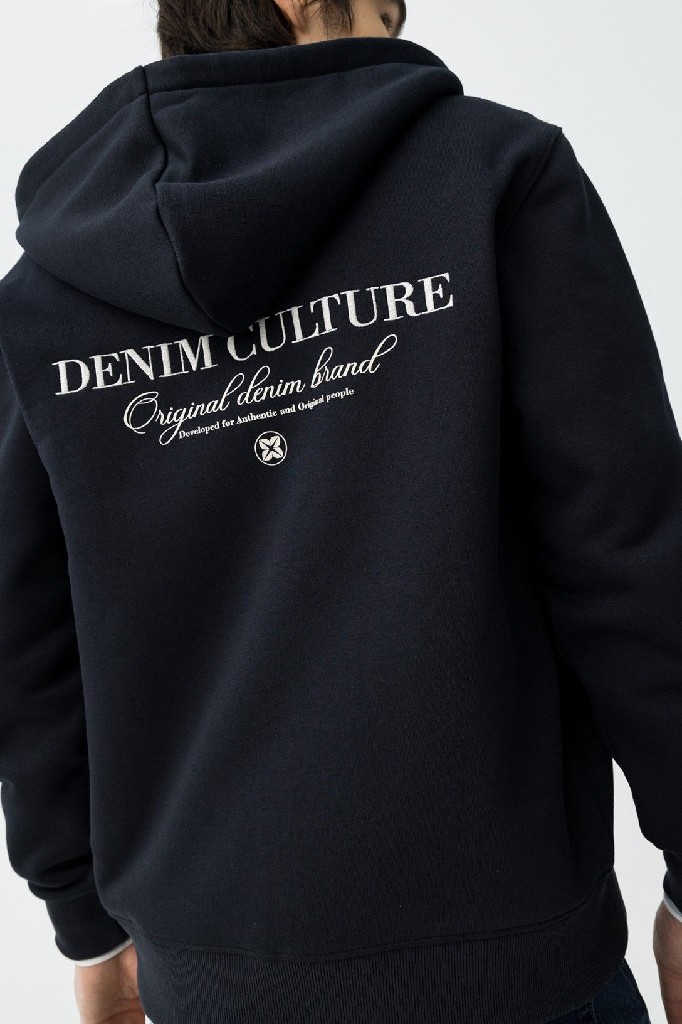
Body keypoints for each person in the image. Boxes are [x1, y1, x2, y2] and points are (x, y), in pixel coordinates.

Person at [0, 0, 681, 1021]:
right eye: (381, 10)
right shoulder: (493, 177)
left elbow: (23, 646)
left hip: (215, 977)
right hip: (515, 969)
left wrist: (84, 921)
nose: (395, 34)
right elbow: (629, 558)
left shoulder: (41, 295)